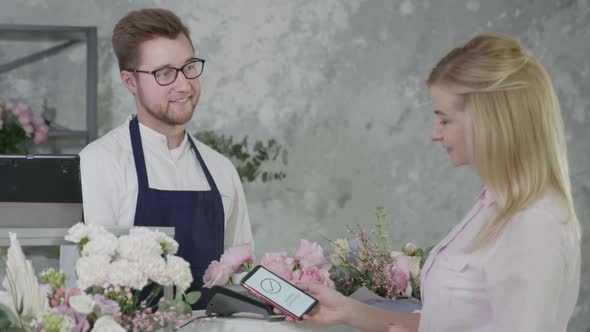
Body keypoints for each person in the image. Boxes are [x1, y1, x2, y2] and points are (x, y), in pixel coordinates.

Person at [279, 34, 582, 331]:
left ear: (488, 121)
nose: (434, 134)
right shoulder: (493, 205)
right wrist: (347, 311)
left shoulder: (533, 225)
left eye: (444, 119)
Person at [79, 8, 253, 309]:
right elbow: (96, 287)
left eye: (188, 67)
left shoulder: (221, 169)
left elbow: (241, 274)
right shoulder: (99, 163)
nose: (184, 84)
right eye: (164, 73)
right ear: (130, 82)